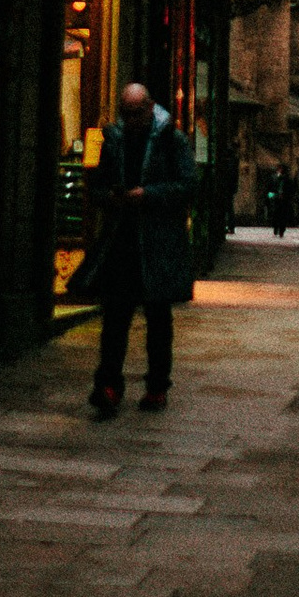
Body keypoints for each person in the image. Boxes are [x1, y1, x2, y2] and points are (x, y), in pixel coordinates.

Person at [85, 82, 196, 419]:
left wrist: (148, 195)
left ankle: (157, 386)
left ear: (150, 108)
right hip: (122, 240)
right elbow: (96, 186)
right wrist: (112, 197)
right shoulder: (113, 139)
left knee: (158, 317)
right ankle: (108, 384)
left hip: (158, 241)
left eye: (136, 113)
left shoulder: (171, 139)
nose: (131, 120)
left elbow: (188, 186)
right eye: (126, 113)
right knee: (115, 317)